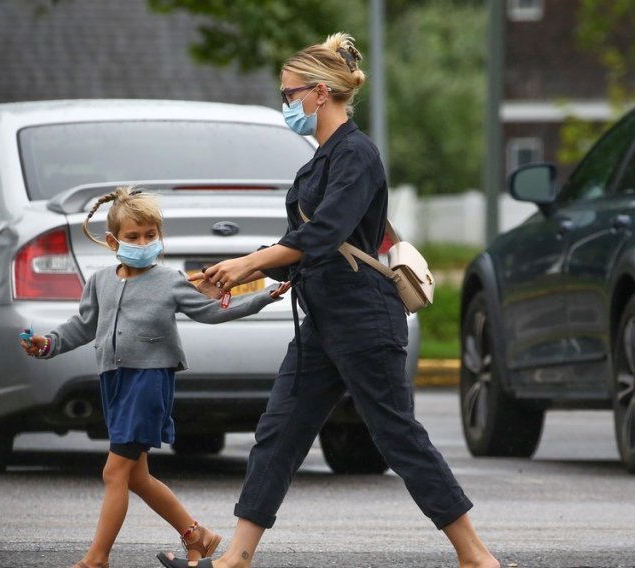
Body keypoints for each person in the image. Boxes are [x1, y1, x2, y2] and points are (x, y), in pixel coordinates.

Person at [156, 33, 500, 568]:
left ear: (319, 93)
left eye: (289, 94)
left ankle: (477, 557)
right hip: (322, 322)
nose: (285, 104)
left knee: (397, 437)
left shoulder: (357, 155)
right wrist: (231, 277)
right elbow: (302, 247)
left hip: (365, 318)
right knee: (278, 431)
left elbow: (324, 234)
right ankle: (237, 558)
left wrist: (251, 262)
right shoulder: (319, 161)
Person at [19, 186, 291, 568]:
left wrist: (263, 297)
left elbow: (211, 312)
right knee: (136, 477)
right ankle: (198, 535)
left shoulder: (169, 281)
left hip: (149, 383)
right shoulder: (100, 281)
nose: (143, 243)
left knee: (114, 471)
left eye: (150, 235)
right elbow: (82, 327)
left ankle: (97, 558)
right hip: (114, 381)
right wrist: (47, 344)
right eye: (133, 236)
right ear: (114, 241)